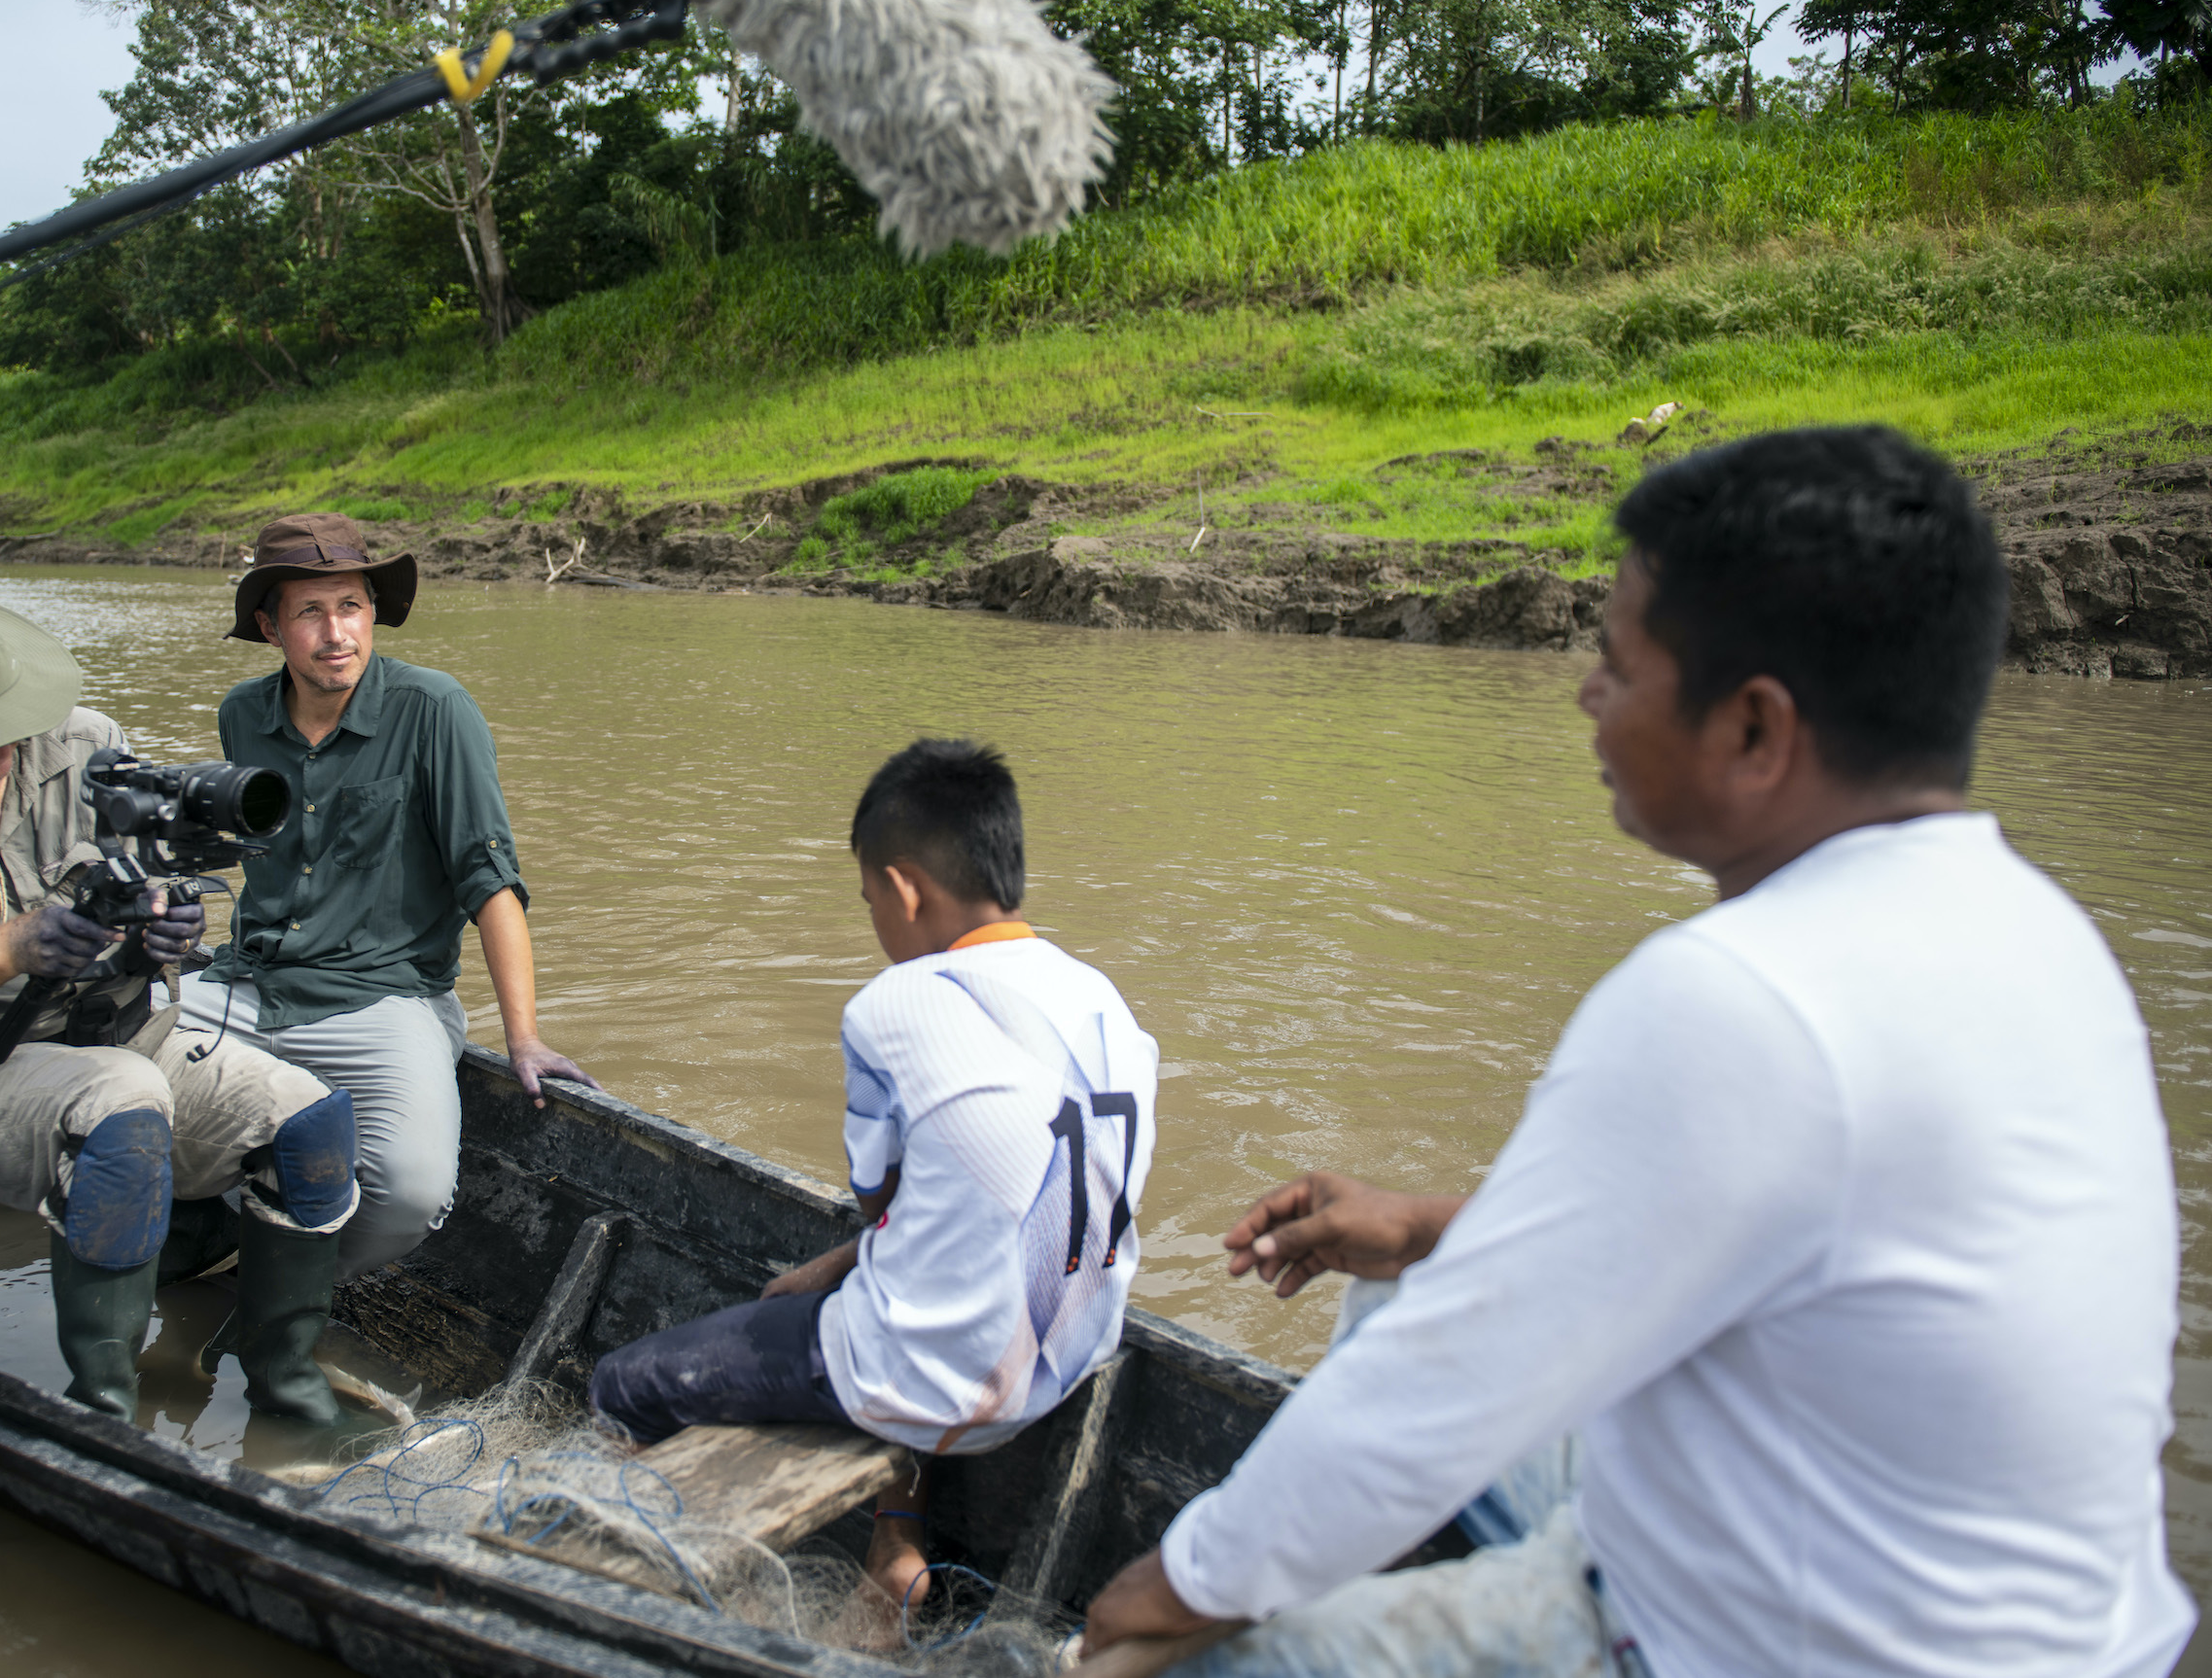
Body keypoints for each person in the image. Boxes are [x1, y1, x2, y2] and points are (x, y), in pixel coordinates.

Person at [1081, 427, 2194, 1678]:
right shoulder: (2038, 931)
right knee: (1403, 1278)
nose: (1586, 694)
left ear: (1754, 729)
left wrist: (1165, 1594)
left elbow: (1434, 1396)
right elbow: (1792, 1245)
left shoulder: (1738, 998)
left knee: (1186, 1656)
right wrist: (1429, 1224)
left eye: (1615, 662)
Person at [590, 739, 1161, 1623]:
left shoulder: (893, 1005)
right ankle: (896, 1551)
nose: (876, 925)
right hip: (1068, 1364)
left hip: (936, 1379)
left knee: (624, 1384)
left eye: (869, 903)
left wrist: (837, 1265)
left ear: (901, 889)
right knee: (894, 1284)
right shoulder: (1108, 1005)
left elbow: (881, 1202)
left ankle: (647, 1603)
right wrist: (831, 1268)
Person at [0, 593, 364, 1422]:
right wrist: (7, 950)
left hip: (122, 1032)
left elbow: (151, 874)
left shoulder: (87, 745)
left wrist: (165, 923)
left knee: (307, 1119)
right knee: (120, 1112)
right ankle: (105, 1408)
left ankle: (286, 1381)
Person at [184, 512, 587, 1289]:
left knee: (412, 1191)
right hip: (248, 985)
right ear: (271, 628)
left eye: (351, 607)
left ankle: (273, 1292)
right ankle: (200, 1228)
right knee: (109, 1059)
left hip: (380, 1000)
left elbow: (489, 878)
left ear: (372, 613)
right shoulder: (243, 715)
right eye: (310, 612)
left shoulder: (434, 709)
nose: (336, 634)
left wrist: (525, 1039)